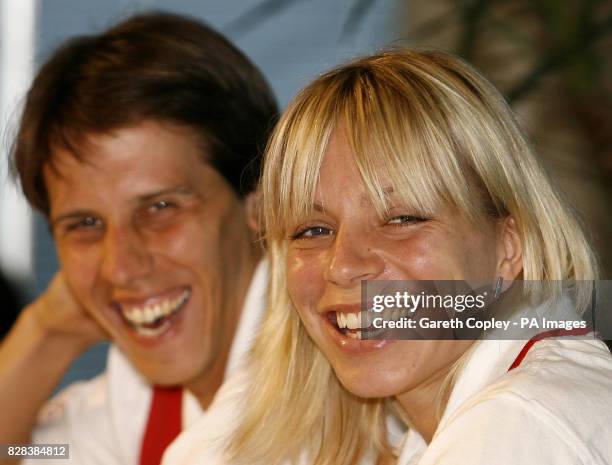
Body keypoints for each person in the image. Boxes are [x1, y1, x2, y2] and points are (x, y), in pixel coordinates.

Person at [164, 50, 612, 465]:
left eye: (402, 219)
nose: (342, 264)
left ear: (508, 244)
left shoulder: (514, 428)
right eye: (313, 230)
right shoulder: (498, 408)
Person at [0, 11, 277, 465]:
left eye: (160, 208)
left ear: (261, 201)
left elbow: (433, 311)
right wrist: (46, 330)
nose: (121, 266)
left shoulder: (349, 326)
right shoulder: (136, 399)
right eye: (84, 225)